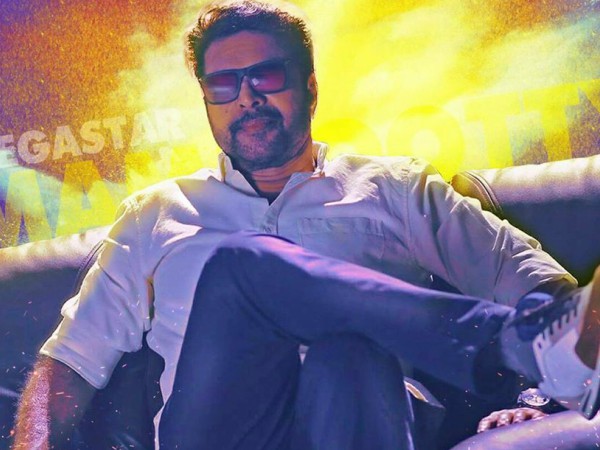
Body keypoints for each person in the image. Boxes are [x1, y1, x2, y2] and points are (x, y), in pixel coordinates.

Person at [12, 1, 600, 449]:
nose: (247, 98)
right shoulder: (155, 214)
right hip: (222, 433)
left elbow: (530, 280)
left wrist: (535, 396)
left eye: (267, 76)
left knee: (348, 354)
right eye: (223, 84)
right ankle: (504, 343)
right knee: (243, 266)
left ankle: (521, 350)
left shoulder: (394, 187)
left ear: (310, 87)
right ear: (207, 101)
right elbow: (68, 364)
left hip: (368, 412)